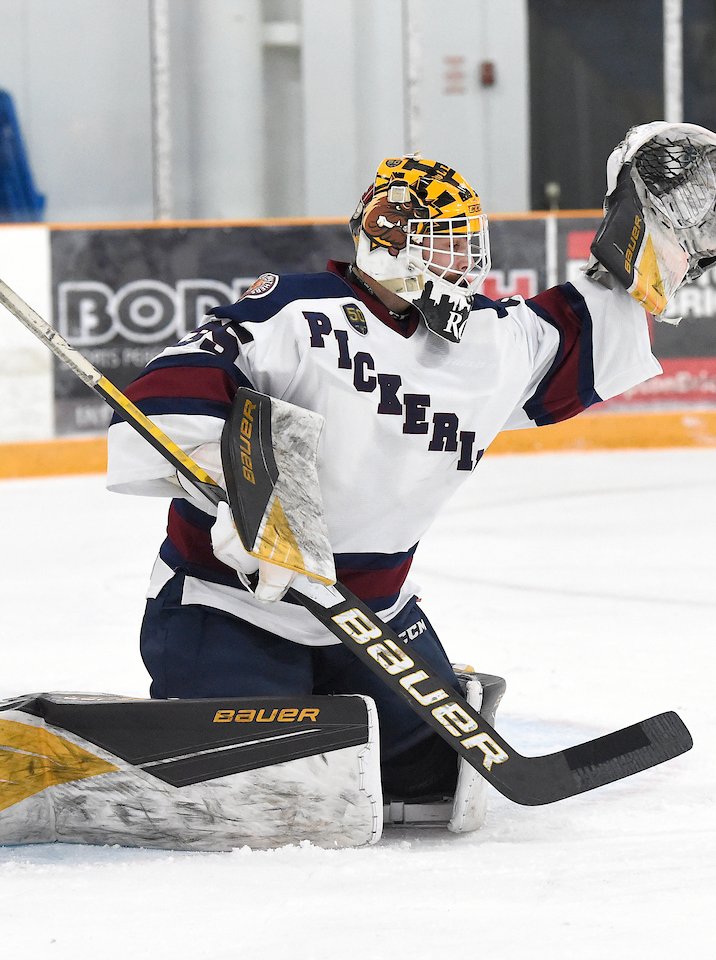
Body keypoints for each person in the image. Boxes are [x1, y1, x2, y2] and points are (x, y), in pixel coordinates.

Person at [105, 154, 662, 805]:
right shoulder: (295, 311)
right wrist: (230, 487)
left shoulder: (488, 342)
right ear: (388, 237)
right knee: (250, 792)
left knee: (432, 782)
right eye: (445, 246)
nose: (464, 265)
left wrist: (654, 254)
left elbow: (581, 330)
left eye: (467, 246)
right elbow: (171, 386)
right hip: (230, 603)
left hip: (376, 613)